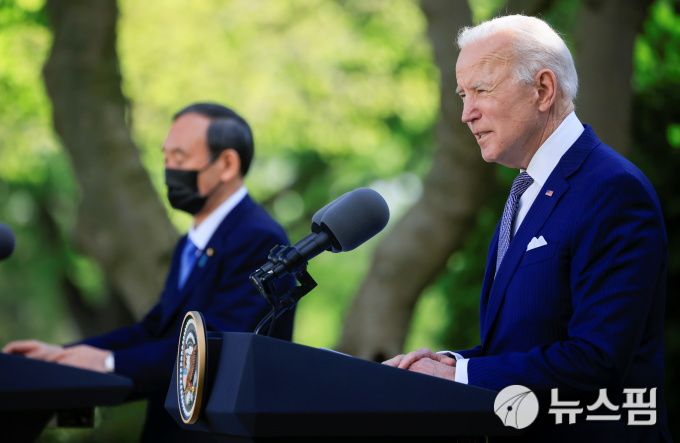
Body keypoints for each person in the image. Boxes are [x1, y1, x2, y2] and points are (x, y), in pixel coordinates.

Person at [383, 15, 670, 441]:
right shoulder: (526, 189)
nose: (466, 114)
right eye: (463, 95)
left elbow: (597, 361)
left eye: (481, 90)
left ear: (543, 90)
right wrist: (449, 365)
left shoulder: (613, 190)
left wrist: (461, 375)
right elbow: (519, 348)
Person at [3, 103, 294, 442]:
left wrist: (110, 363)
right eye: (166, 157)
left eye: (180, 158)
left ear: (227, 164)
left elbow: (215, 349)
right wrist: (60, 356)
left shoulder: (259, 239)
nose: (169, 169)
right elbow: (155, 329)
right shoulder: (191, 243)